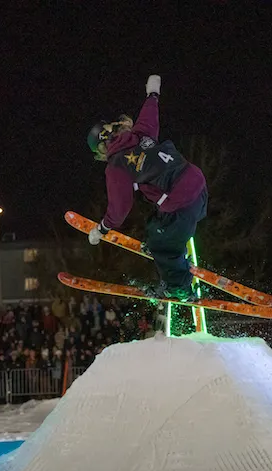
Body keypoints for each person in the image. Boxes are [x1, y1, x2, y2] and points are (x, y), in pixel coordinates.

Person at [86, 75, 208, 302]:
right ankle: (168, 256)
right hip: (197, 185)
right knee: (155, 226)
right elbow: (150, 115)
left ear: (102, 149)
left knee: (164, 245)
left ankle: (178, 289)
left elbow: (119, 208)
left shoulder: (116, 166)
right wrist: (153, 94)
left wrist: (102, 229)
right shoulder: (140, 134)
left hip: (182, 202)